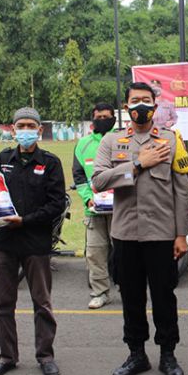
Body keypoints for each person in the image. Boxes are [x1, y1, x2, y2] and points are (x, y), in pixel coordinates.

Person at [92, 82, 188, 375]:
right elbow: (98, 181)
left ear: (155, 106)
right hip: (125, 235)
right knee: (131, 298)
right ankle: (137, 354)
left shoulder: (172, 140)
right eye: (135, 101)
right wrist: (137, 164)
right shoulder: (111, 141)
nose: (141, 106)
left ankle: (168, 354)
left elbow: (182, 190)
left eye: (146, 101)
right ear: (126, 107)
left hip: (162, 235)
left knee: (164, 297)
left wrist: (181, 234)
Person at [0, 107, 65, 375]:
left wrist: (26, 220)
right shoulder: (4, 158)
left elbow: (56, 204)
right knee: (3, 304)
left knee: (42, 303)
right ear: (13, 128)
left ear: (40, 130)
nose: (26, 130)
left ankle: (45, 356)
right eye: (22, 125)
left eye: (32, 125)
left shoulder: (50, 162)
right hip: (5, 241)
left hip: (36, 242)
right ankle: (7, 357)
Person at [73, 103, 116, 309]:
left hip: (122, 210)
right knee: (95, 252)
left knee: (127, 252)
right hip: (94, 209)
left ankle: (130, 290)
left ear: (114, 119)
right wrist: (87, 197)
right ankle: (100, 292)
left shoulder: (124, 139)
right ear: (93, 119)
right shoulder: (83, 144)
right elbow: (79, 176)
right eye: (99, 116)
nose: (103, 119)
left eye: (107, 116)